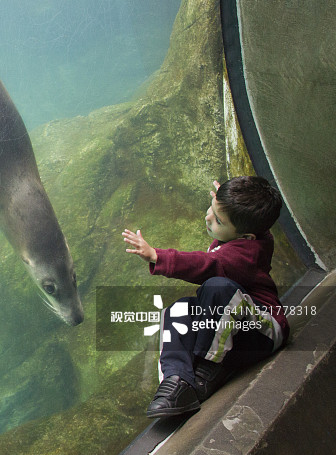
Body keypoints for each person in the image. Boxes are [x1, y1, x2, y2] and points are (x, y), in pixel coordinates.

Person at [122, 176, 287, 418]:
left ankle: (206, 369)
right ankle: (176, 379)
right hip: (235, 335)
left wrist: (157, 256)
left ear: (246, 237)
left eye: (218, 219)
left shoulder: (241, 256)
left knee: (217, 288)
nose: (208, 217)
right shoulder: (252, 230)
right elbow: (249, 217)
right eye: (212, 208)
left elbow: (205, 264)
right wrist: (225, 202)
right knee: (178, 310)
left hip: (263, 332)